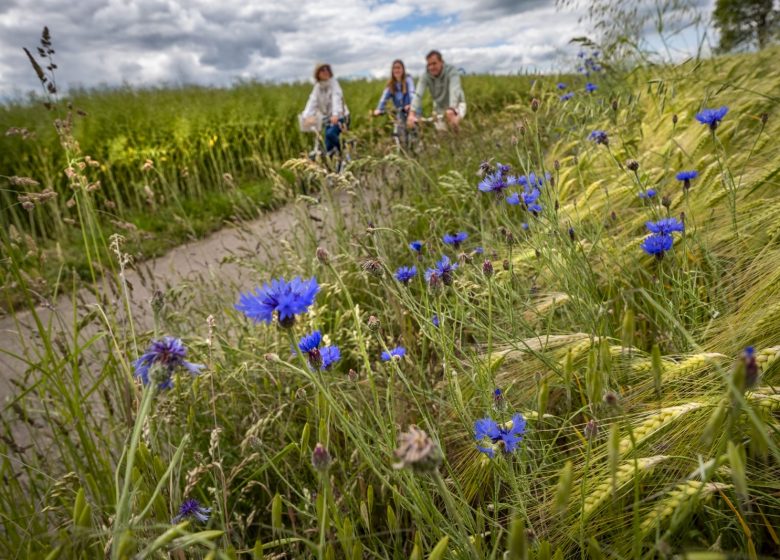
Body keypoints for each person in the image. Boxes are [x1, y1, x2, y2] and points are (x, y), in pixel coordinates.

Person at [407, 50, 466, 132]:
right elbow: (418, 94)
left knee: (454, 126)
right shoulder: (425, 76)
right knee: (442, 135)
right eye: (429, 65)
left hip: (457, 104)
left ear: (441, 62)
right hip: (439, 107)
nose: (431, 67)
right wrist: (411, 113)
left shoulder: (451, 71)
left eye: (434, 63)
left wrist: (452, 108)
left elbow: (454, 89)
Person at [301, 62, 350, 155]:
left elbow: (336, 98)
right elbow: (312, 101)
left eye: (327, 69)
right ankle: (334, 167)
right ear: (317, 74)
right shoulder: (317, 87)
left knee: (330, 134)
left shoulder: (334, 83)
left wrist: (335, 114)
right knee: (328, 149)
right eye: (322, 70)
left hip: (341, 117)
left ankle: (345, 150)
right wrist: (305, 116)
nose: (326, 72)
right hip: (328, 119)